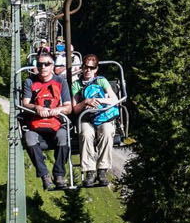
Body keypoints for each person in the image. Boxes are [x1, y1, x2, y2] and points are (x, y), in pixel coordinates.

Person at [20, 53, 74, 190]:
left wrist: (59, 109)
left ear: (52, 66)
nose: (43, 67)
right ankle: (44, 175)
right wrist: (36, 107)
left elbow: (68, 107)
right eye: (39, 65)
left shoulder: (60, 82)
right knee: (29, 139)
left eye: (46, 64)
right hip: (36, 123)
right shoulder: (30, 82)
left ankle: (59, 174)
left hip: (55, 123)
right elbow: (25, 103)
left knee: (64, 137)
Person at [77, 54, 120, 187]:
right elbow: (74, 109)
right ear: (82, 67)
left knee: (107, 131)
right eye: (86, 67)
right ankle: (89, 171)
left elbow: (114, 100)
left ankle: (102, 169)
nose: (88, 70)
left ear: (96, 69)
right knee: (85, 134)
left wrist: (100, 100)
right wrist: (86, 102)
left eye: (91, 67)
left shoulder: (101, 81)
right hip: (86, 117)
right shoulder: (76, 85)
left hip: (102, 116)